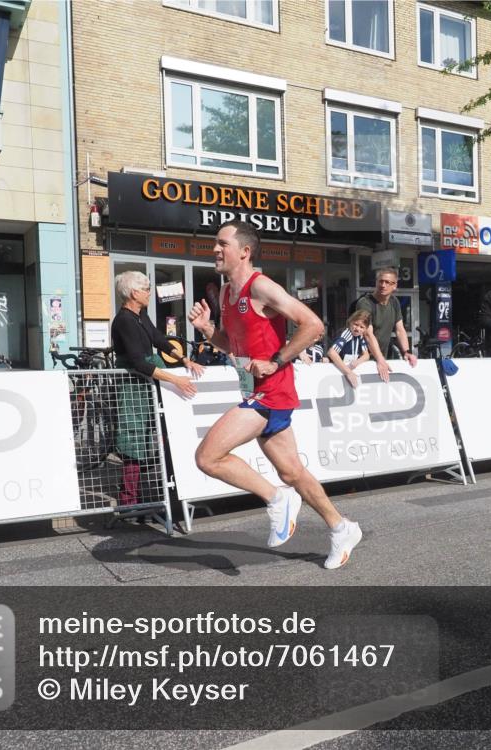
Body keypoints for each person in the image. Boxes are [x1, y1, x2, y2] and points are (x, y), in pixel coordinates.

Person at [188, 220, 362, 569]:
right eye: (215, 243)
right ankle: (342, 528)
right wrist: (208, 329)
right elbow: (232, 347)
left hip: (272, 392)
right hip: (255, 388)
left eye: (222, 243)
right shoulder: (226, 293)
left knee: (208, 457)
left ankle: (276, 500)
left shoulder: (261, 286)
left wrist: (275, 360)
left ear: (245, 251)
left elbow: (313, 325)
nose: (215, 249)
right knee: (293, 472)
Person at [111, 270, 201, 505]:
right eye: (147, 288)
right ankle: (130, 502)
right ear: (134, 293)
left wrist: (183, 360)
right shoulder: (123, 321)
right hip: (133, 388)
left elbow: (158, 338)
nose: (150, 292)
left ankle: (169, 492)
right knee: (134, 441)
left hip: (148, 382)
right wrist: (176, 379)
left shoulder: (140, 314)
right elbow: (139, 362)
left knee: (161, 433)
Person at [355, 267, 417, 382]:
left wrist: (407, 352)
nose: (383, 285)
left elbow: (400, 330)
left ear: (395, 285)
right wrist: (380, 359)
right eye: (381, 281)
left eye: (388, 282)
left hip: (380, 359)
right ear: (376, 282)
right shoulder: (365, 303)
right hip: (360, 361)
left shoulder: (394, 302)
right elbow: (368, 334)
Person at [326, 309, 372, 389]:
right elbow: (332, 352)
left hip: (347, 370)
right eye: (356, 324)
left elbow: (366, 355)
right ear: (350, 322)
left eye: (362, 327)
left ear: (366, 329)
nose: (357, 329)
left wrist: (357, 362)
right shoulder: (346, 334)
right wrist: (348, 372)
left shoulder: (360, 336)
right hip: (336, 371)